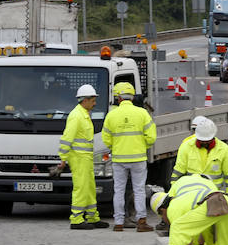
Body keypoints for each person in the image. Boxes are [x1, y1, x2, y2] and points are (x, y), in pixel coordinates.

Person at [102, 83, 157, 232]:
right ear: (132, 97)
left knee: (119, 191)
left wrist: (115, 147)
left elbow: (106, 138)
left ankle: (119, 222)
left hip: (119, 158)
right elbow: (151, 137)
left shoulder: (111, 115)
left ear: (118, 98)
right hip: (138, 158)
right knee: (139, 190)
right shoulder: (142, 113)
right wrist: (142, 146)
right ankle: (141, 221)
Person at [56, 84, 108, 230]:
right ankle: (76, 219)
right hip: (79, 158)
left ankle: (92, 217)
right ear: (85, 100)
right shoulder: (76, 116)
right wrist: (63, 158)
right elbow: (67, 138)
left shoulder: (83, 114)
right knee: (81, 188)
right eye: (93, 100)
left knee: (90, 188)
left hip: (85, 158)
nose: (95, 103)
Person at [170, 117, 228, 193]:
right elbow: (178, 172)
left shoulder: (224, 149)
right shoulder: (186, 147)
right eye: (202, 140)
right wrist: (173, 192)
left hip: (213, 193)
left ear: (213, 137)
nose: (204, 143)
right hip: (191, 192)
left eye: (207, 141)